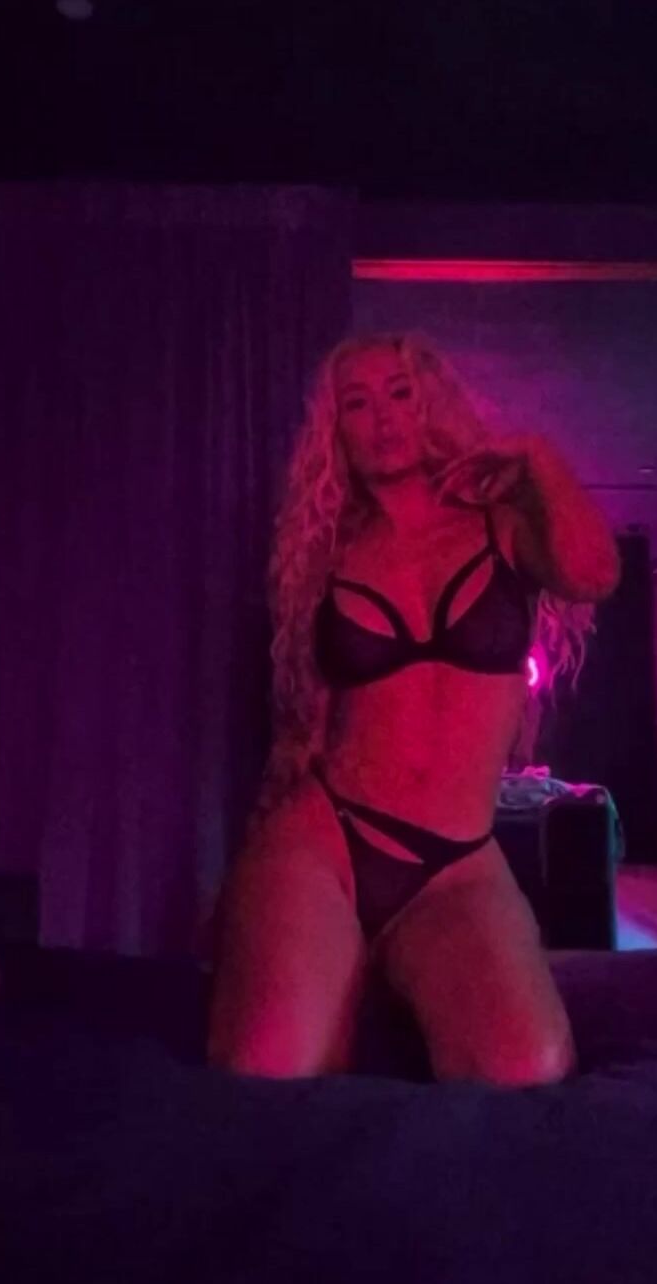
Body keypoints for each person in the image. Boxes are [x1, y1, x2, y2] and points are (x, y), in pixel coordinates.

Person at [207, 331, 621, 1084]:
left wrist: (536, 458)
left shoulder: (500, 524)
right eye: (356, 404)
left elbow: (594, 573)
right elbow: (311, 708)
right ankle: (340, 968)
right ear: (335, 430)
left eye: (399, 393)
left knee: (525, 1067)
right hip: (326, 839)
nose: (383, 418)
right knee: (269, 1068)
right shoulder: (327, 551)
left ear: (430, 402)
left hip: (454, 865)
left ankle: (373, 973)